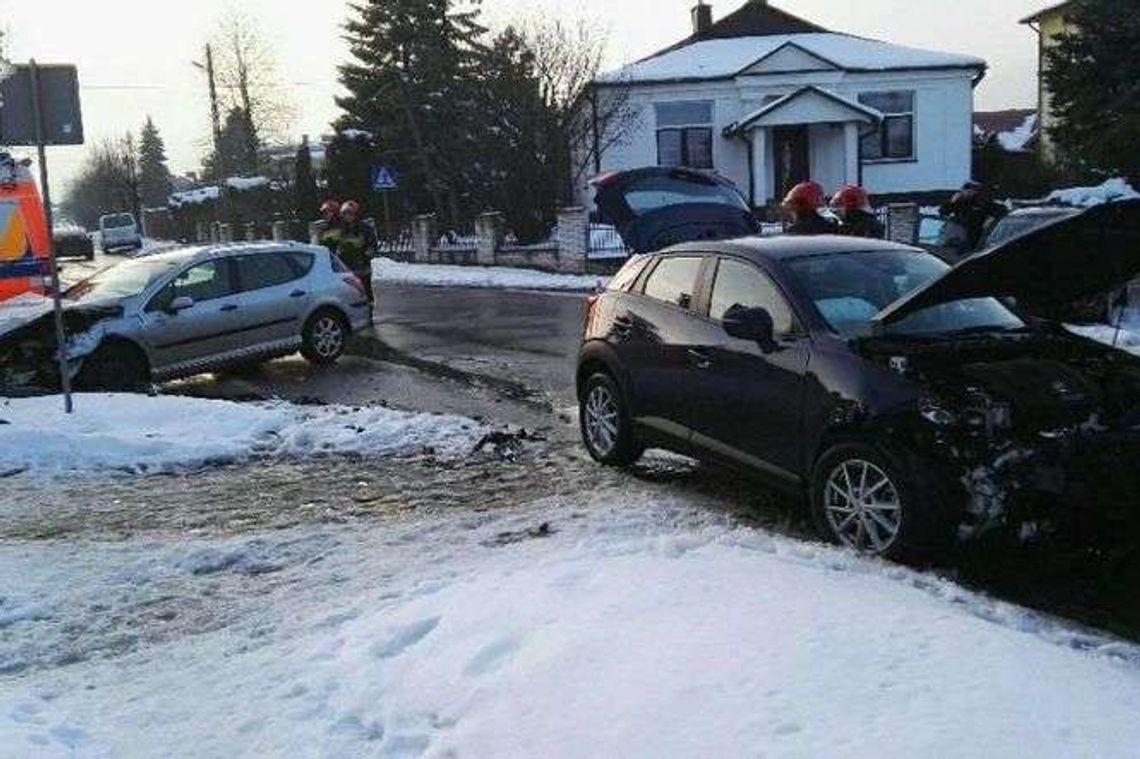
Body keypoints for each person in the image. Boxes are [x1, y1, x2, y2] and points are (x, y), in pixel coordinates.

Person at [939, 181, 1008, 252]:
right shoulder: (962, 202)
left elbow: (1001, 212)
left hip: (975, 240)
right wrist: (952, 202)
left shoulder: (990, 206)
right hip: (957, 235)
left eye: (986, 193)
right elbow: (944, 210)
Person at [336, 200, 379, 305]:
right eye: (345, 214)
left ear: (356, 214)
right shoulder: (341, 230)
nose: (347, 217)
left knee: (365, 291)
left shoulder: (365, 229)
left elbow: (372, 245)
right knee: (349, 293)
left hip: (362, 267)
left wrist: (365, 257)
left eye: (350, 214)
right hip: (346, 267)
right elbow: (336, 245)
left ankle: (369, 307)